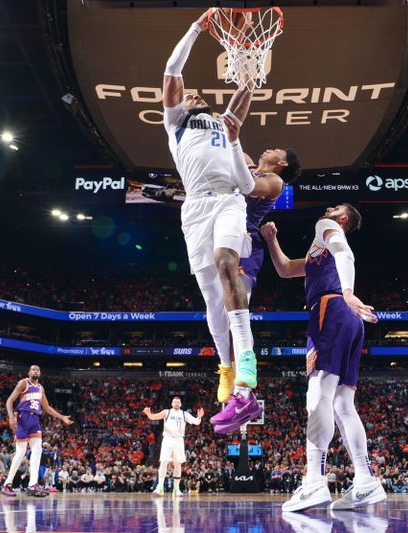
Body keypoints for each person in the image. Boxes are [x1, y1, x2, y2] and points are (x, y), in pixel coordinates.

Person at [162, 10, 263, 426]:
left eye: (197, 95)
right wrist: (197, 29)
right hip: (195, 210)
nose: (194, 95)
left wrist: (248, 65)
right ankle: (228, 366)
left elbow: (244, 94)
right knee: (212, 301)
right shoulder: (176, 124)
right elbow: (171, 71)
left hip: (228, 202)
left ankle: (247, 373)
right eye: (189, 95)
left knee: (228, 266)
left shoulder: (224, 124)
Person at [261, 206, 387, 512]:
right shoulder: (319, 256)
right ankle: (366, 481)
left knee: (317, 396)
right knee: (343, 403)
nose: (329, 209)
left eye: (337, 209)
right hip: (350, 321)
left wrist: (347, 292)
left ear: (343, 219)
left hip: (331, 309)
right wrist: (271, 240)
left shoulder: (326, 225)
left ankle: (315, 481)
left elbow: (344, 253)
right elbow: (286, 269)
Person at [214, 148, 302, 407]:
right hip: (220, 237)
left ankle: (244, 371)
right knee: (219, 312)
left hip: (245, 243)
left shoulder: (275, 180)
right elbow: (230, 149)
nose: (268, 148)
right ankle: (226, 368)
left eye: (276, 150)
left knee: (237, 309)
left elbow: (248, 185)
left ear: (282, 162)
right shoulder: (248, 161)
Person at [1, 365, 73, 497]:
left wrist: (62, 417)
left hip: (35, 419)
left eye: (38, 370)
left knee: (38, 450)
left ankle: (32, 485)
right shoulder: (24, 383)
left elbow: (47, 407)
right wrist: (11, 418)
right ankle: (7, 484)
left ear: (40, 373)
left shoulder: (41, 388)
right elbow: (9, 401)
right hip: (23, 417)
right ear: (29, 372)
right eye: (33, 370)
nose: (35, 371)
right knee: (21, 452)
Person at [143, 397, 204, 497]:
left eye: (178, 402)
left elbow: (196, 422)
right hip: (168, 439)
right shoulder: (166, 412)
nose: (176, 403)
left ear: (180, 404)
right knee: (163, 462)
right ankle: (160, 487)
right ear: (171, 403)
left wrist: (199, 417)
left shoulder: (184, 414)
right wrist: (148, 414)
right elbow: (153, 417)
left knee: (178, 464)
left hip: (179, 440)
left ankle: (176, 489)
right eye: (174, 401)